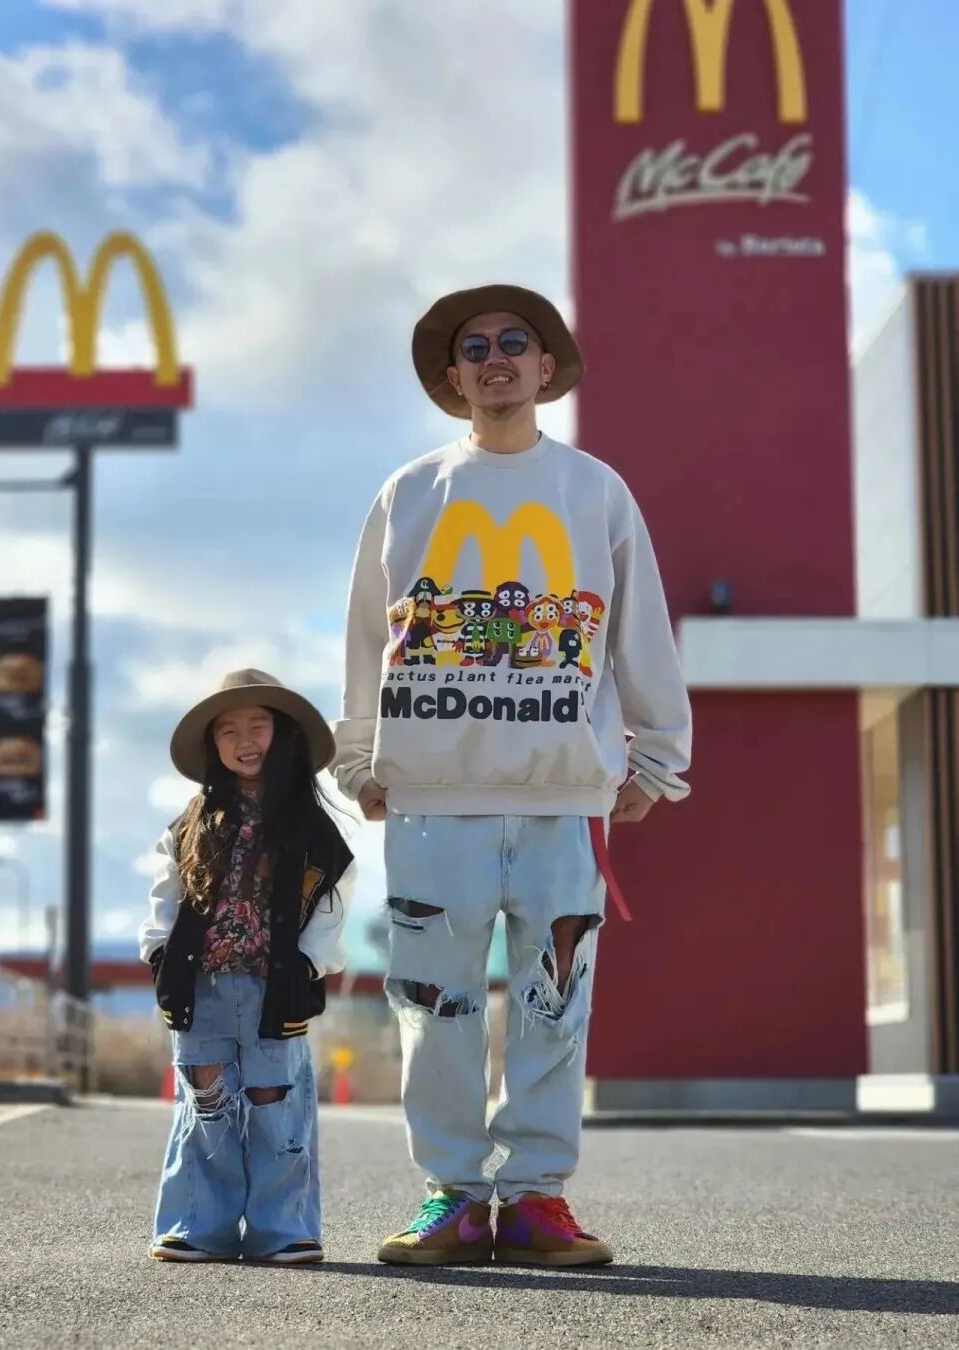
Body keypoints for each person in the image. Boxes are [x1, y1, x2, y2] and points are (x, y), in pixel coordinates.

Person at [333, 285, 691, 1268]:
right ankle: (452, 1197)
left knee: (554, 1004)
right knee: (432, 1005)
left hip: (562, 796)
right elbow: (367, 634)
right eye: (475, 347)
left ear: (545, 366)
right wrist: (359, 756)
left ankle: (535, 1200)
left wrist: (659, 757)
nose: (494, 358)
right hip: (432, 796)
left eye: (514, 342)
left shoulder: (595, 490)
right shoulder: (410, 492)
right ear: (453, 377)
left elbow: (640, 630)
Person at [139, 668, 354, 1264]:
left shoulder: (313, 828)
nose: (244, 740)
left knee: (273, 1100)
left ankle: (281, 1229)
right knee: (205, 1099)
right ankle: (196, 1225)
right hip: (200, 984)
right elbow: (166, 896)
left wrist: (309, 966)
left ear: (283, 734)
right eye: (227, 730)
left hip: (274, 987)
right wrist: (160, 957)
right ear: (213, 745)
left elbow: (332, 903)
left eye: (257, 725)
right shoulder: (191, 823)